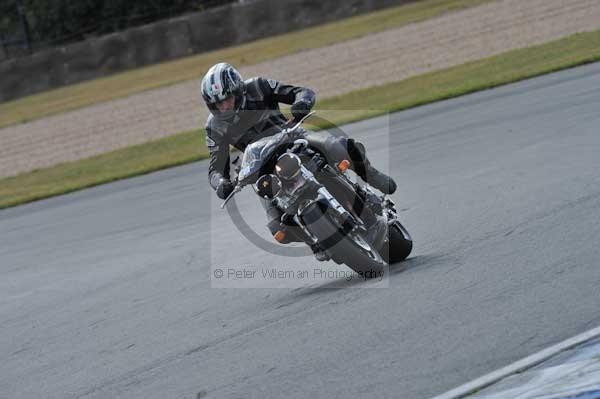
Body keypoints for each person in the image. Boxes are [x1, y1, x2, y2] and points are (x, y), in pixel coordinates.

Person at [201, 62, 396, 252]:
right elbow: (215, 168)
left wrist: (301, 103)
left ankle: (371, 175)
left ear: (238, 91)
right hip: (261, 167)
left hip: (292, 137)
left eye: (227, 99)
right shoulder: (214, 127)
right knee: (277, 229)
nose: (224, 106)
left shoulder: (258, 86)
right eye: (218, 103)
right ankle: (315, 240)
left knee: (339, 147)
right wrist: (221, 183)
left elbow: (301, 92)